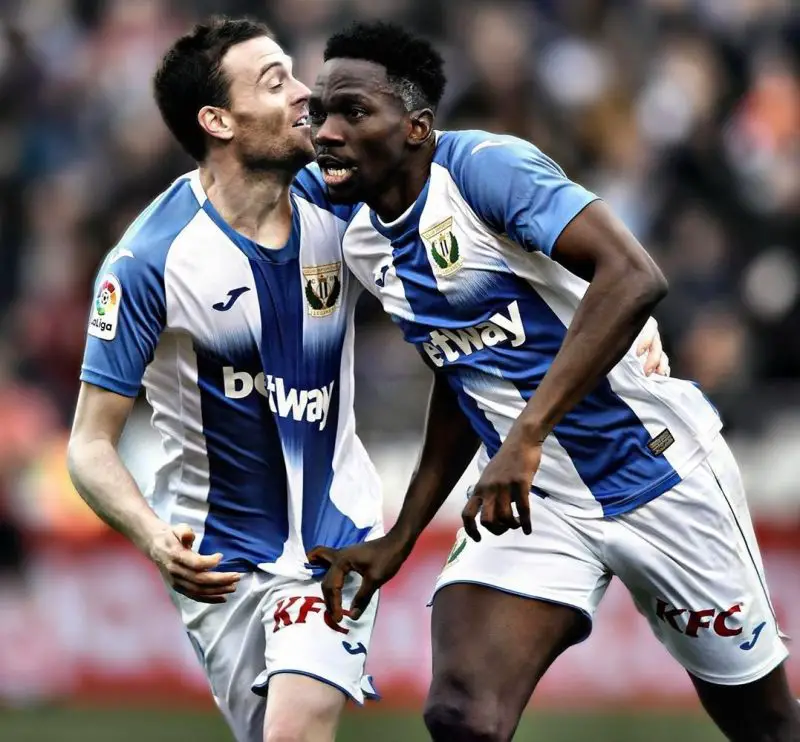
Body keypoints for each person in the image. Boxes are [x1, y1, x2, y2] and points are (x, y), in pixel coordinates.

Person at [306, 21, 800, 742]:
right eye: (319, 113)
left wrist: (527, 435)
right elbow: (462, 374)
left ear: (416, 127)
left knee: (768, 729)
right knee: (462, 713)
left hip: (655, 475)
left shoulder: (486, 170)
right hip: (534, 499)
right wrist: (402, 536)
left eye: (354, 111)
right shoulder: (359, 236)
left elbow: (635, 276)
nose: (328, 132)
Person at [67, 17, 384, 742]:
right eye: (275, 83)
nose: (304, 93)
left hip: (336, 540)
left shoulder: (339, 199)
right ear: (218, 121)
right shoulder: (149, 261)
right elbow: (88, 445)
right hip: (221, 567)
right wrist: (155, 538)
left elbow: (465, 220)